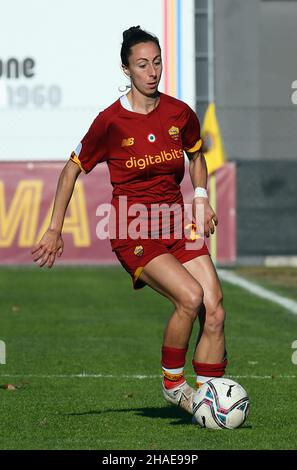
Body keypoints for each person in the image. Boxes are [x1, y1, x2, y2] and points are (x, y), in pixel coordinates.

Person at [32, 26, 227, 415]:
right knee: (189, 298)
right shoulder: (111, 122)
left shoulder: (179, 113)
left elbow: (196, 156)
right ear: (126, 70)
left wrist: (201, 198)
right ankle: (174, 386)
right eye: (142, 64)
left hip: (177, 224)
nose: (152, 71)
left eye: (156, 62)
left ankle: (212, 397)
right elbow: (70, 171)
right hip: (133, 229)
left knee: (216, 306)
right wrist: (54, 229)